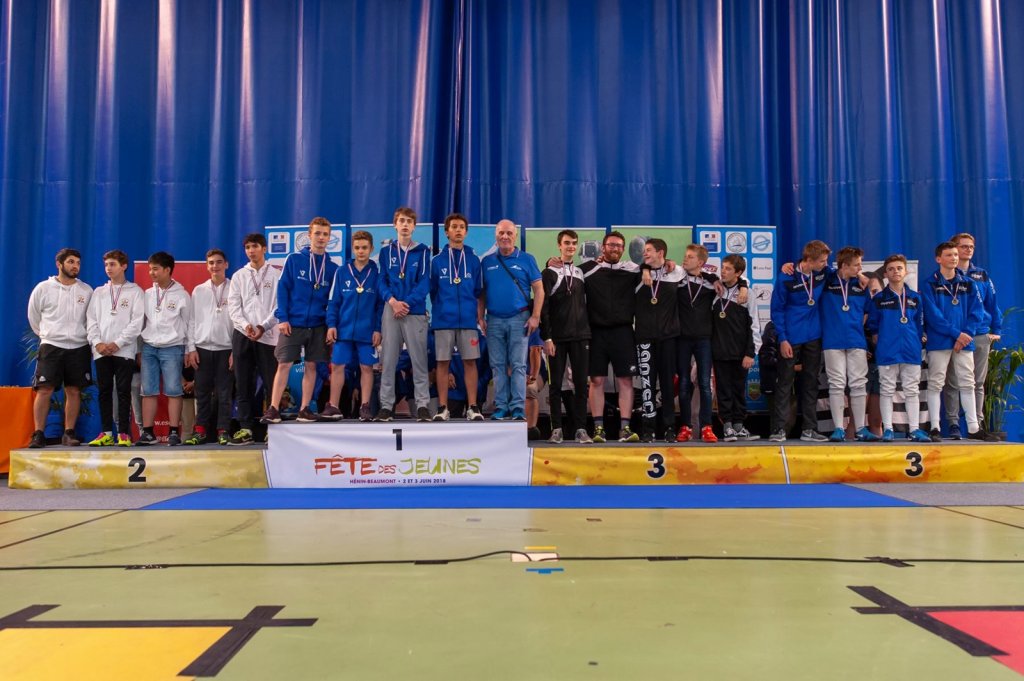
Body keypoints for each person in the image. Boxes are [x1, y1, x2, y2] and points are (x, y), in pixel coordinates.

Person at [261, 217, 338, 424]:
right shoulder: (294, 259)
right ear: (310, 235)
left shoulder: (332, 268)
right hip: (293, 322)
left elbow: (333, 300)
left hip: (318, 324)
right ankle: (273, 408)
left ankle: (304, 408)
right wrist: (283, 318)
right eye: (317, 233)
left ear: (329, 238)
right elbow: (283, 289)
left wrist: (330, 325)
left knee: (311, 366)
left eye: (325, 234)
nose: (321, 238)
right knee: (284, 364)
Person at [920, 241, 998, 441]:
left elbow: (977, 312)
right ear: (938, 259)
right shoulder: (929, 284)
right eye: (949, 255)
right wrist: (957, 334)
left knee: (968, 382)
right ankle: (935, 427)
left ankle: (973, 427)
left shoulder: (968, 283)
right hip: (940, 341)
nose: (954, 258)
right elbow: (933, 316)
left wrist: (966, 334)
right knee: (936, 383)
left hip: (965, 341)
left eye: (955, 254)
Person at [26, 248, 94, 448]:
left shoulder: (86, 290)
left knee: (74, 390)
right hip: (51, 346)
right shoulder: (43, 288)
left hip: (79, 346)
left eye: (78, 263)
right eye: (71, 262)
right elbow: (33, 317)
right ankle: (39, 434)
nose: (75, 266)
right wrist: (48, 335)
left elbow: (91, 319)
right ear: (59, 264)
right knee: (44, 390)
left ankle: (69, 433)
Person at [479, 219, 544, 421]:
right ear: (496, 236)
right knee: (497, 365)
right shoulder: (487, 262)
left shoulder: (527, 259)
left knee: (518, 365)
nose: (505, 236)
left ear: (515, 236)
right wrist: (480, 317)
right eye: (501, 233)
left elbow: (539, 289)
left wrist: (535, 316)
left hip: (520, 319)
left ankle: (517, 408)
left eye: (509, 233)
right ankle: (501, 407)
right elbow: (482, 293)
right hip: (494, 320)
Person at [675, 243, 740, 443]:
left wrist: (744, 287)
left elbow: (736, 282)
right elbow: (661, 267)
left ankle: (706, 427)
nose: (685, 259)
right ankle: (685, 426)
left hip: (704, 339)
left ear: (701, 262)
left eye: (690, 257)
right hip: (682, 339)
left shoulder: (711, 283)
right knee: (684, 383)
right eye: (685, 255)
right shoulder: (677, 279)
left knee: (704, 383)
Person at [580, 231, 641, 443]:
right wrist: (553, 261)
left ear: (623, 249)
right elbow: (565, 272)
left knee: (625, 380)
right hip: (596, 332)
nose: (614, 249)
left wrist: (667, 263)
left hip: (623, 331)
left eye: (618, 246)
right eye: (611, 245)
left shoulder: (632, 269)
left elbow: (657, 267)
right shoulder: (588, 270)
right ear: (603, 247)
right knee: (596, 380)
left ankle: (625, 428)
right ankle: (598, 429)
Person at [768, 240, 830, 442]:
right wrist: (783, 339)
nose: (825, 264)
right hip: (791, 337)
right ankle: (779, 429)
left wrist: (862, 277)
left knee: (811, 383)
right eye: (822, 261)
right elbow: (777, 310)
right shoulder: (785, 277)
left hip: (813, 336)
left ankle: (809, 429)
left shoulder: (823, 273)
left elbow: (844, 274)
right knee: (785, 383)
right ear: (809, 260)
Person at [374, 207, 432, 422]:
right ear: (395, 225)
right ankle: (386, 406)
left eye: (409, 221)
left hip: (414, 311)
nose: (405, 225)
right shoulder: (386, 252)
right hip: (391, 310)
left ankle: (423, 405)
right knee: (388, 360)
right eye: (401, 221)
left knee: (419, 360)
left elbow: (425, 282)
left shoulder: (423, 251)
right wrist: (392, 302)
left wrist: (406, 303)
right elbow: (381, 281)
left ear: (414, 226)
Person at [942, 232, 1002, 437]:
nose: (968, 250)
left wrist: (996, 330)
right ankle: (953, 424)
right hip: (956, 334)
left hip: (980, 333)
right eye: (963, 246)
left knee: (977, 382)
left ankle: (976, 423)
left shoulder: (981, 275)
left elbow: (992, 303)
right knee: (952, 382)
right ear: (954, 248)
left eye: (971, 247)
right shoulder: (946, 275)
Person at [865, 254, 930, 442]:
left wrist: (917, 342)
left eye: (899, 268)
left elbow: (920, 324)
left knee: (911, 390)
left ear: (906, 271)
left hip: (911, 350)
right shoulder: (879, 299)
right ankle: (888, 429)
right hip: (887, 351)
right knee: (886, 390)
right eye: (891, 269)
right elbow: (873, 326)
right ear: (885, 274)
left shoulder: (916, 298)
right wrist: (882, 342)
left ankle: (914, 429)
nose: (896, 272)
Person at [86, 249, 144, 447]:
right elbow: (91, 320)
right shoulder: (99, 292)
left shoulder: (135, 291)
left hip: (124, 350)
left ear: (124, 266)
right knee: (104, 391)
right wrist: (97, 343)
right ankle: (106, 433)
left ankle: (123, 434)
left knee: (123, 391)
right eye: (106, 265)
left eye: (112, 264)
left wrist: (117, 343)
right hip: (101, 350)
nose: (108, 268)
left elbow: (137, 322)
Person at [324, 230, 383, 421]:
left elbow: (380, 306)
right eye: (357, 247)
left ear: (371, 248)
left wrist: (378, 329)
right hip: (344, 330)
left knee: (367, 368)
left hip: (367, 331)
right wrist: (332, 324)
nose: (361, 251)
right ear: (352, 249)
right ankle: (333, 406)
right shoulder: (342, 272)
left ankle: (365, 406)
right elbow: (334, 301)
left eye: (364, 247)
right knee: (337, 366)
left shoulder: (377, 274)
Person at [430, 213, 485, 421]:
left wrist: (476, 315)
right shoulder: (437, 261)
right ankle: (442, 407)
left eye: (462, 227)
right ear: (447, 232)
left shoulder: (474, 260)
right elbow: (433, 291)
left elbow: (477, 290)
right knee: (442, 362)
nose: (458, 230)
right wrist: (444, 308)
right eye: (454, 227)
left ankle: (473, 407)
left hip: (468, 321)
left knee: (470, 362)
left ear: (466, 232)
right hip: (444, 321)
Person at [819, 246, 877, 442]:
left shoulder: (861, 285)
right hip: (832, 340)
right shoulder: (827, 280)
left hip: (856, 340)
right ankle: (838, 429)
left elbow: (867, 311)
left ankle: (860, 428)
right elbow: (812, 265)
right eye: (857, 265)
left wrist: (855, 326)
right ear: (844, 266)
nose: (860, 269)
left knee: (858, 384)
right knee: (836, 384)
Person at [227, 233, 280, 444]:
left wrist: (263, 326)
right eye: (247, 247)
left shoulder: (276, 274)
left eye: (255, 246)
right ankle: (246, 428)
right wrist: (246, 325)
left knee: (271, 383)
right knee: (243, 383)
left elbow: (279, 306)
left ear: (264, 249)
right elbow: (233, 307)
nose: (251, 250)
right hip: (243, 335)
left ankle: (271, 430)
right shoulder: (239, 276)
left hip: (268, 336)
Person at [137, 251, 194, 446]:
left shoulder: (182, 295)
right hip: (149, 347)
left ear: (167, 270)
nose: (151, 273)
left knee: (173, 390)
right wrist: (139, 349)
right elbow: (141, 322)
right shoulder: (147, 294)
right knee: (148, 391)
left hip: (173, 347)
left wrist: (189, 349)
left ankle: (173, 432)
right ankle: (148, 433)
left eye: (155, 269)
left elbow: (189, 324)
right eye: (150, 269)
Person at [541, 230, 592, 444]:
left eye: (574, 243)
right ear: (559, 245)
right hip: (557, 338)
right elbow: (543, 307)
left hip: (581, 336)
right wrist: (547, 337)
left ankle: (581, 429)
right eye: (567, 243)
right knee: (555, 385)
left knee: (581, 385)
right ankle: (557, 429)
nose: (571, 246)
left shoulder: (581, 272)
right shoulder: (549, 272)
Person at [634, 238, 683, 443]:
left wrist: (743, 284)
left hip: (668, 338)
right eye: (644, 250)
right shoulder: (637, 273)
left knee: (667, 385)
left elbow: (702, 274)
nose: (644, 253)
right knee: (647, 385)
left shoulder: (676, 272)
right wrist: (645, 268)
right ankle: (648, 429)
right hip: (644, 338)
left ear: (661, 252)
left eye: (649, 250)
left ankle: (670, 427)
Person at [184, 249, 234, 446]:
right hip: (202, 348)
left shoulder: (234, 288)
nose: (215, 266)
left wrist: (235, 351)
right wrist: (191, 348)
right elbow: (192, 321)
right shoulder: (199, 290)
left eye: (219, 262)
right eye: (211, 262)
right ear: (207, 266)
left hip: (226, 348)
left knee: (224, 394)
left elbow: (238, 322)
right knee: (202, 393)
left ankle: (223, 431)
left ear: (226, 264)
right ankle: (200, 431)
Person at [711, 255, 761, 442]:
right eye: (722, 267)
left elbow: (754, 325)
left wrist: (750, 353)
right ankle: (727, 427)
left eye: (728, 269)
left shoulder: (747, 294)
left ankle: (739, 426)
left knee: (739, 389)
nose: (723, 271)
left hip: (741, 352)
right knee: (723, 390)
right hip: (719, 351)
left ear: (738, 273)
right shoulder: (715, 290)